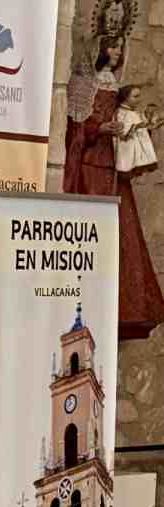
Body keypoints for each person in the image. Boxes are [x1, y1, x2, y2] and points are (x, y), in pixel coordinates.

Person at [65, 41, 164, 339]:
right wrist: (99, 129)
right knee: (92, 237)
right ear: (100, 49)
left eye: (121, 48)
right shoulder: (83, 82)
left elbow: (124, 119)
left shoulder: (115, 84)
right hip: (91, 168)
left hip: (114, 168)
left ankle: (120, 310)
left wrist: (140, 127)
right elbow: (74, 128)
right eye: (113, 47)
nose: (118, 53)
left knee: (122, 238)